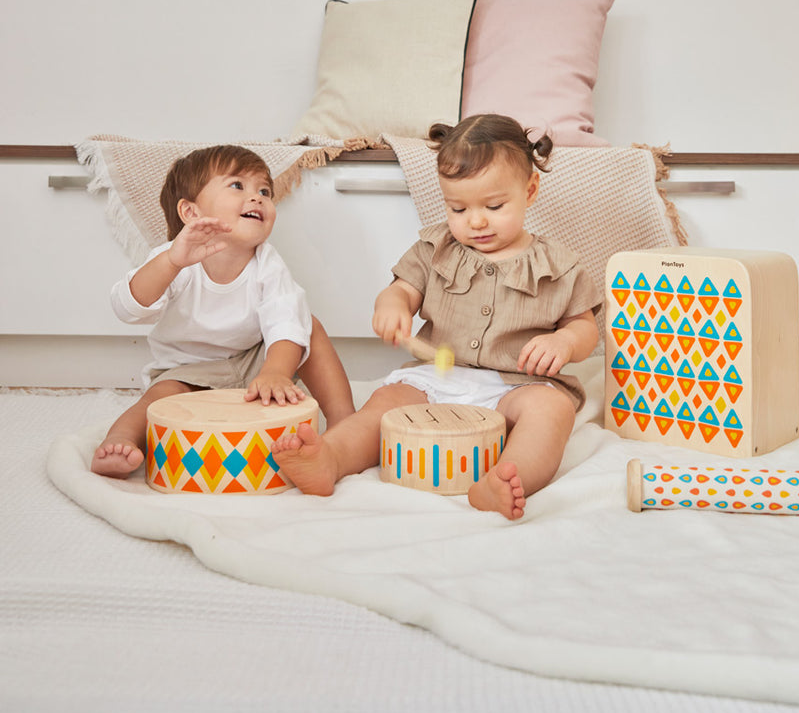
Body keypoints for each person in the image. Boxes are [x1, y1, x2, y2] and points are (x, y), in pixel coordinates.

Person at [272, 114, 601, 519]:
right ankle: (331, 459)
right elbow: (402, 289)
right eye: (458, 208)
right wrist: (391, 305)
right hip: (438, 375)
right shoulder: (435, 248)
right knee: (384, 404)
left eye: (494, 206)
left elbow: (585, 327)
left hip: (519, 385)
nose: (475, 221)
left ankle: (501, 481)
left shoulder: (559, 265)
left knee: (552, 413)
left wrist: (565, 341)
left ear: (530, 191)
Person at [91, 144, 355, 478]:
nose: (257, 197)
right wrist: (171, 262)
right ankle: (122, 439)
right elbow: (129, 308)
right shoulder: (175, 258)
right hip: (188, 371)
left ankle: (345, 420)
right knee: (157, 401)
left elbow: (286, 319)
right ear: (191, 213)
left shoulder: (267, 263)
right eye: (237, 186)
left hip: (253, 361)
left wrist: (275, 370)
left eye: (264, 190)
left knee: (308, 325)